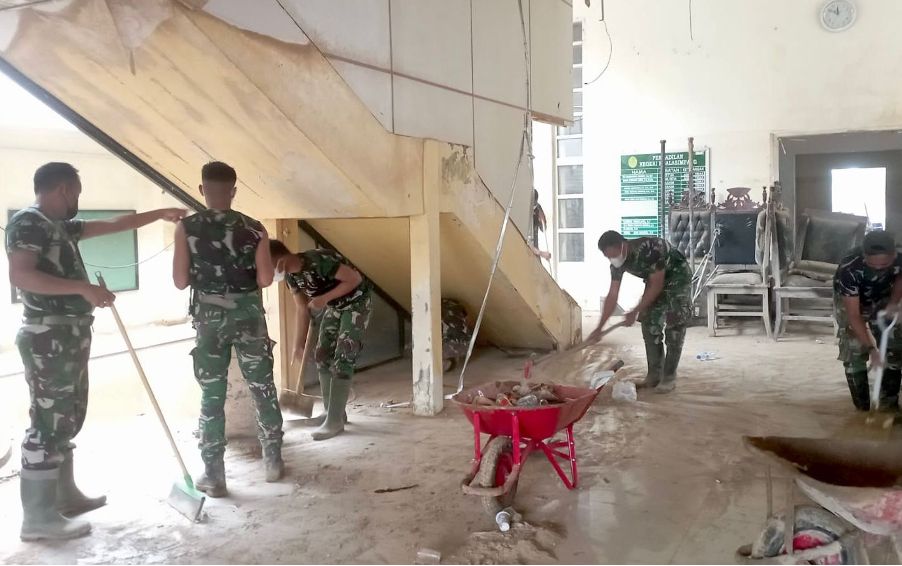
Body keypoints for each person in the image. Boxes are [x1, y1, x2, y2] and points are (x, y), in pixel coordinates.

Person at [6, 162, 185, 541]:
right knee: (47, 424)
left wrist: (161, 215)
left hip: (68, 335)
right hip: (47, 337)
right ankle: (37, 519)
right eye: (77, 192)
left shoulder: (60, 226)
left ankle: (64, 495)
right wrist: (83, 289)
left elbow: (115, 225)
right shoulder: (28, 222)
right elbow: (21, 276)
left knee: (67, 417)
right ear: (64, 189)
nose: (78, 200)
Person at [172, 161, 283, 498]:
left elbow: (179, 281)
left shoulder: (186, 228)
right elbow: (265, 279)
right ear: (233, 191)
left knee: (212, 393)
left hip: (209, 319)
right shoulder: (255, 229)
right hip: (248, 315)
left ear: (203, 190)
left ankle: (214, 474)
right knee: (262, 385)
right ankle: (274, 461)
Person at [269, 239, 372, 441]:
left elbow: (354, 279)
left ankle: (335, 422)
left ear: (279, 261)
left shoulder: (318, 260)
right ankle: (332, 412)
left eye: (268, 264)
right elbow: (302, 308)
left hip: (357, 303)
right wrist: (297, 345)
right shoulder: (292, 277)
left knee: (344, 355)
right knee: (321, 354)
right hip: (335, 306)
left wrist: (324, 299)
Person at [589, 230, 692, 394]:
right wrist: (599, 328)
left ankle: (669, 377)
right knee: (649, 324)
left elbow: (657, 285)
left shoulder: (651, 248)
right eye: (608, 257)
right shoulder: (617, 264)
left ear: (623, 245)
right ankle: (654, 376)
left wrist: (635, 311)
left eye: (613, 255)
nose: (612, 259)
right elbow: (612, 295)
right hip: (653, 280)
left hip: (677, 277)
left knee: (675, 326)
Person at [833, 229, 902, 411]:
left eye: (884, 265)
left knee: (894, 346)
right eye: (874, 265)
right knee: (854, 348)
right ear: (864, 257)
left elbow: (901, 277)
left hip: (883, 296)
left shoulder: (900, 257)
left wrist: (894, 303)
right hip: (852, 300)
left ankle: (889, 405)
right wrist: (872, 349)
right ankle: (862, 407)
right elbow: (854, 316)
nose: (879, 268)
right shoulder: (849, 269)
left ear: (894, 255)